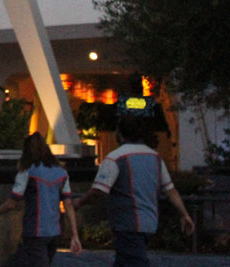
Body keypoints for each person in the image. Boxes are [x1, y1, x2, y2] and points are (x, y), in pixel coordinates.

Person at [73, 113, 194, 267]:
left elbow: (99, 191)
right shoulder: (155, 158)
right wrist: (184, 214)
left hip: (127, 224)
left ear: (119, 133)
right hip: (149, 224)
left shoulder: (115, 158)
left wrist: (78, 202)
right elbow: (170, 190)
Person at [0, 132, 82, 266]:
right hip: (55, 232)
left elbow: (12, 203)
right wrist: (75, 235)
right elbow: (68, 205)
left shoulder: (27, 172)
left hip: (35, 231)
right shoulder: (61, 173)